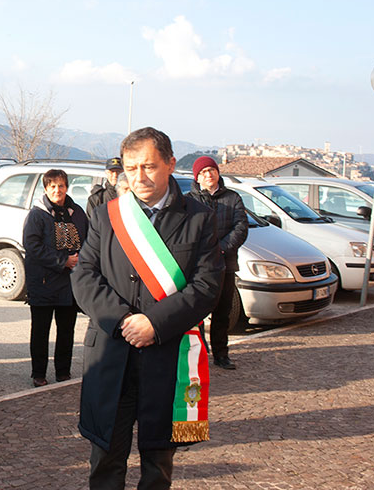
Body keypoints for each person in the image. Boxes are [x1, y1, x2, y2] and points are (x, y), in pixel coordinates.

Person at [72, 127, 223, 490]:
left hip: (166, 355)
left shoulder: (199, 218)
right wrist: (123, 320)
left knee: (158, 466)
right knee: (105, 461)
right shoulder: (107, 215)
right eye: (131, 167)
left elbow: (207, 287)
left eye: (149, 166)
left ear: (171, 164)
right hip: (111, 352)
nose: (139, 177)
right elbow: (84, 276)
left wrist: (154, 323)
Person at [23, 169, 88, 387]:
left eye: (61, 186)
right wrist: (63, 261)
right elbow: (32, 246)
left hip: (68, 285)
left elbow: (86, 241)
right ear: (46, 189)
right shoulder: (37, 214)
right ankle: (38, 373)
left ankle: (63, 371)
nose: (57, 190)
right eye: (52, 186)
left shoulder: (76, 212)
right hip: (43, 282)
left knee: (66, 330)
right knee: (41, 331)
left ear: (67, 187)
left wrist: (78, 261)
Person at [189, 156, 248, 370]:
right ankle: (199, 352)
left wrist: (221, 248)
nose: (209, 175)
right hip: (198, 266)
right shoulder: (190, 200)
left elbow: (241, 227)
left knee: (223, 312)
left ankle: (221, 354)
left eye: (211, 170)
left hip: (226, 264)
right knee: (196, 312)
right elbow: (188, 232)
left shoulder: (233, 198)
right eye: (203, 172)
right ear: (197, 177)